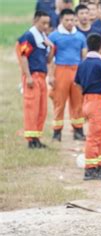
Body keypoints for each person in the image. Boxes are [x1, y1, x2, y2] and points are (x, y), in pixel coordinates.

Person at [74, 33, 101, 180]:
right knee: (94, 137)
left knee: (97, 135)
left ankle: (97, 166)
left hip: (86, 101)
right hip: (98, 101)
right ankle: (90, 169)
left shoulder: (83, 63)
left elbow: (77, 83)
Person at [16, 11, 54, 149]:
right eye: (42, 23)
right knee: (32, 108)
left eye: (47, 23)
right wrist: (28, 77)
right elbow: (24, 56)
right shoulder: (29, 36)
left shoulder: (43, 37)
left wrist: (51, 47)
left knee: (41, 109)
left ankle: (37, 138)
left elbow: (48, 60)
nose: (45, 26)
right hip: (33, 76)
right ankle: (31, 140)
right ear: (35, 21)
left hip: (42, 76)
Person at [48, 8, 87, 141]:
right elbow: (50, 59)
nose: (70, 22)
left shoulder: (80, 36)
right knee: (59, 102)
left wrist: (84, 74)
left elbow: (84, 57)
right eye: (67, 20)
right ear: (61, 20)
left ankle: (78, 130)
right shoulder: (54, 36)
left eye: (72, 20)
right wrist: (51, 75)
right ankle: (57, 132)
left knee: (78, 102)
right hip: (61, 70)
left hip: (77, 70)